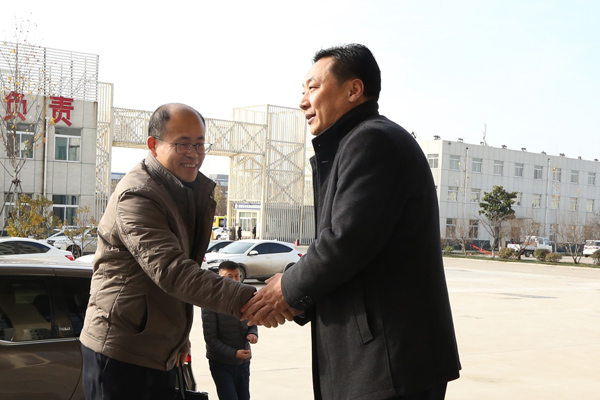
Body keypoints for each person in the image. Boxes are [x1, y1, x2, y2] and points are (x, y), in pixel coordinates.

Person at [242, 44, 461, 399]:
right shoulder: (352, 145)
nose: (303, 101)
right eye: (303, 90)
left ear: (353, 90)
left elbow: (346, 241)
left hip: (388, 359)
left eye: (313, 88)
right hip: (379, 358)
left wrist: (288, 288)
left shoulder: (372, 141)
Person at [79, 103, 258, 400]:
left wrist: (178, 340)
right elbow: (173, 272)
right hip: (121, 352)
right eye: (183, 144)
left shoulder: (180, 191)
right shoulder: (138, 194)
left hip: (158, 350)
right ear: (154, 145)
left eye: (200, 144)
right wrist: (253, 299)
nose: (194, 153)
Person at [202, 261, 258, 400]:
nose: (234, 280)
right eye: (229, 276)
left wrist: (253, 333)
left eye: (237, 276)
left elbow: (252, 321)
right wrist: (234, 353)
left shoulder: (246, 296)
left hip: (243, 362)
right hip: (221, 363)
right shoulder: (210, 301)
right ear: (219, 277)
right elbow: (211, 339)